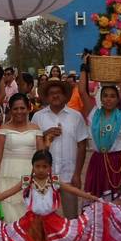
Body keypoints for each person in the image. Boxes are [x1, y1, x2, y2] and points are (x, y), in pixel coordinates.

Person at [76, 71, 121, 201]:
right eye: (105, 96)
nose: (108, 99)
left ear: (118, 99)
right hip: (97, 163)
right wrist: (84, 69)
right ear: (101, 98)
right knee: (97, 203)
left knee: (118, 203)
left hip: (118, 164)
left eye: (112, 96)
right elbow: (82, 92)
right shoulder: (94, 114)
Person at [30, 79, 89, 218]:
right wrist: (45, 133)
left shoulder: (76, 116)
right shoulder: (38, 117)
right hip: (44, 176)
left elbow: (82, 146)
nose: (55, 96)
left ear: (65, 96)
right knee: (44, 215)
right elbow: (33, 142)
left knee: (71, 216)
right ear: (46, 97)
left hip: (68, 174)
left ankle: (71, 239)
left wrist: (77, 174)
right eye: (51, 93)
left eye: (58, 93)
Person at [0, 93, 44, 221]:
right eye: (15, 108)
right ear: (10, 109)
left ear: (28, 108)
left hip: (30, 175)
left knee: (29, 215)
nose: (19, 112)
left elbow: (42, 157)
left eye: (22, 108)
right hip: (6, 177)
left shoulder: (36, 129)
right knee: (9, 216)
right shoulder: (3, 129)